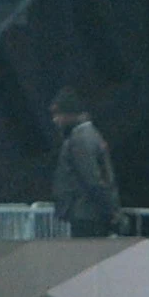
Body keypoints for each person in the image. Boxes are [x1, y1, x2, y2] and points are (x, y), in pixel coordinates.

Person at [52, 92, 120, 237]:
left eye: (58, 114)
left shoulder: (80, 139)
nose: (56, 120)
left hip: (85, 213)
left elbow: (92, 179)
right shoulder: (91, 135)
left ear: (71, 114)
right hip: (90, 212)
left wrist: (111, 210)